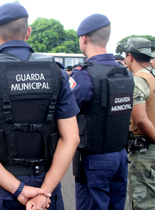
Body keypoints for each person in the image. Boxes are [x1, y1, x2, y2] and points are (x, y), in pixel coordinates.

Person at [0, 3, 80, 210]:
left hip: (3, 188)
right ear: (28, 32)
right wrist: (44, 192)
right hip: (47, 188)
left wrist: (19, 189)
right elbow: (72, 137)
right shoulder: (56, 72)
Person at [70, 14, 134, 210]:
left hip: (95, 160)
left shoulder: (84, 74)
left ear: (84, 39)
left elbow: (63, 111)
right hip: (120, 156)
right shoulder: (125, 73)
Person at [116, 37, 155, 210]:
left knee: (143, 203)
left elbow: (140, 119)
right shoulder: (152, 77)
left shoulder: (137, 81)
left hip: (145, 151)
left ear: (130, 56)